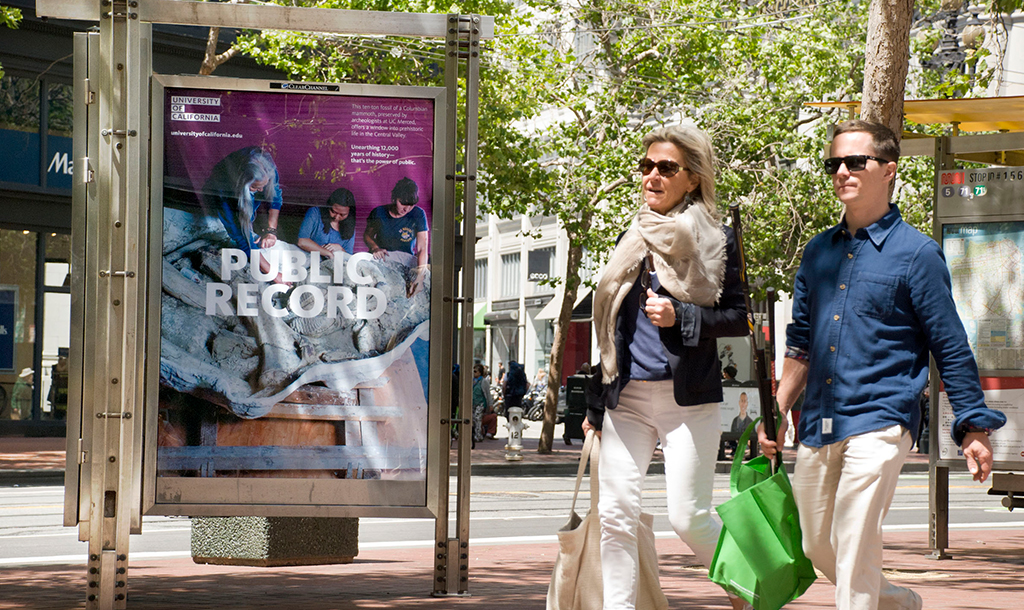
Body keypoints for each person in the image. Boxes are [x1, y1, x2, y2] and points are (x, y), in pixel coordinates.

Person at [757, 120, 1006, 610]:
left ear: (889, 171)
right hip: (821, 420)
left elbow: (949, 345)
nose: (843, 171)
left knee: (853, 542)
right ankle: (896, 602)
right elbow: (800, 343)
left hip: (882, 418)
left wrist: (973, 426)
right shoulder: (816, 253)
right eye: (835, 163)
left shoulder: (917, 254)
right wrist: (777, 410)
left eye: (856, 162)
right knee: (816, 545)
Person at [581, 125, 749, 610]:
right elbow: (612, 323)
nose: (652, 175)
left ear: (692, 179)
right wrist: (596, 399)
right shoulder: (630, 237)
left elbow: (737, 316)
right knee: (615, 513)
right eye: (647, 166)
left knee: (689, 517)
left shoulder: (716, 239)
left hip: (686, 398)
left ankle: (748, 589)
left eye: (666, 168)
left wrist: (684, 316)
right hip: (626, 396)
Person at [201, 146, 287, 284]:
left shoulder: (268, 169)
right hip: (223, 196)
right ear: (243, 183)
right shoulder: (224, 191)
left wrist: (271, 231)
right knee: (240, 233)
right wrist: (273, 273)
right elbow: (240, 237)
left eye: (263, 186)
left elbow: (275, 199)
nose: (261, 190)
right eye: (255, 187)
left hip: (245, 192)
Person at [363, 177, 429, 296]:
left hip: (406, 261)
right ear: (394, 198)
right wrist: (375, 248)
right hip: (383, 259)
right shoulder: (379, 212)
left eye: (411, 205)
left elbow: (422, 248)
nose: (407, 209)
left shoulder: (418, 214)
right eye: (403, 203)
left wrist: (420, 277)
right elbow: (368, 235)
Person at [297, 188, 357, 257]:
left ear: (349, 213)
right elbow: (302, 241)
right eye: (333, 212)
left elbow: (348, 257)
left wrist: (340, 249)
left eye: (342, 215)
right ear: (329, 206)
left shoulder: (350, 228)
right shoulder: (315, 213)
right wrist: (327, 253)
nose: (336, 217)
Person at [471, 364, 494, 445]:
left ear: (480, 373)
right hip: (472, 403)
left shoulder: (484, 381)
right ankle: (476, 433)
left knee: (477, 418)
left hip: (480, 403)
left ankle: (478, 436)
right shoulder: (472, 381)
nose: (473, 373)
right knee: (473, 419)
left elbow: (488, 394)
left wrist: (490, 404)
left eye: (475, 371)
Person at [728, 392, 753, 457]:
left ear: (747, 404)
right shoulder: (735, 421)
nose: (743, 404)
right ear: (739, 403)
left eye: (745, 401)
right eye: (742, 401)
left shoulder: (751, 421)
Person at [48, 348, 69, 420]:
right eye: (60, 358)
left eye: (63, 358)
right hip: (57, 394)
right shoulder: (54, 367)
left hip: (67, 394)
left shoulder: (71, 368)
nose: (61, 360)